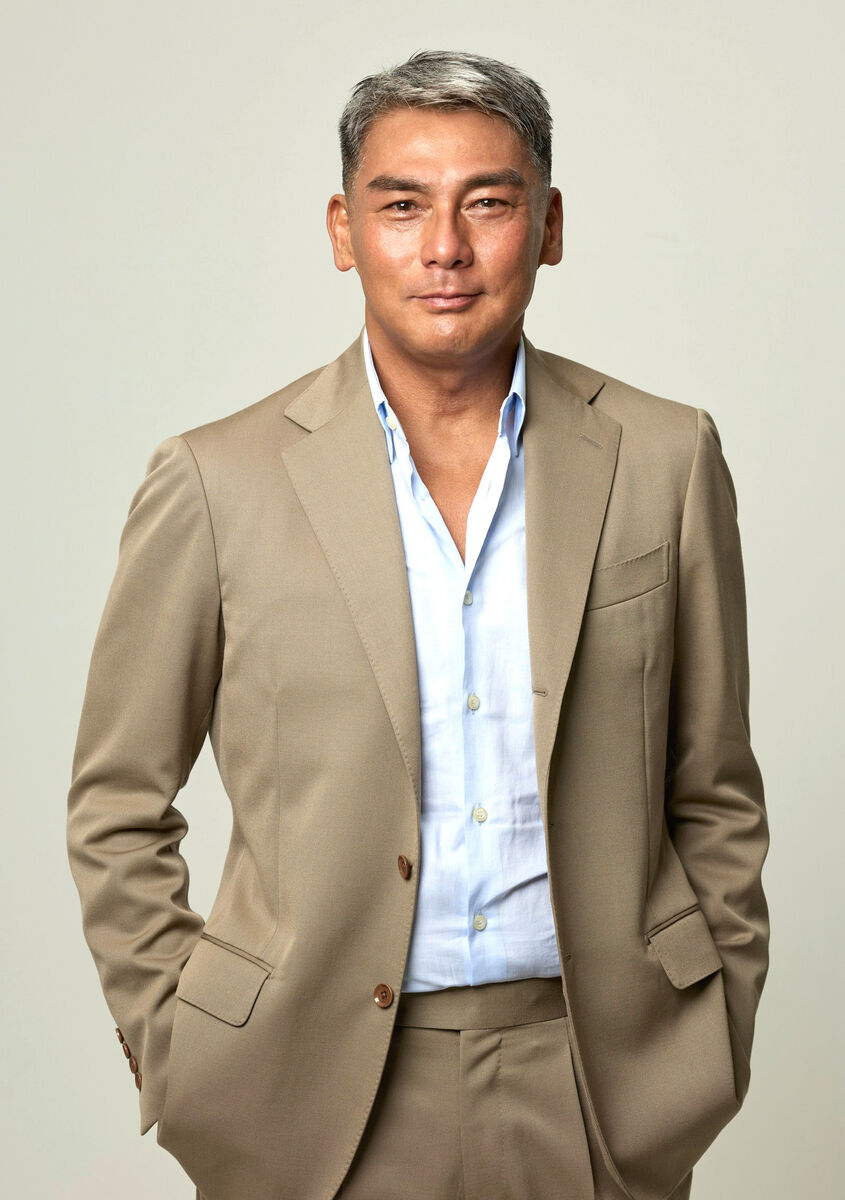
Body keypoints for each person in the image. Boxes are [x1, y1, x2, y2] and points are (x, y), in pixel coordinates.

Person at [66, 49, 770, 1200]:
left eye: (486, 203)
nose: (444, 246)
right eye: (401, 206)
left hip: (597, 1079)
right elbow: (115, 802)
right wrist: (179, 1045)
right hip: (304, 1090)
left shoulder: (664, 457)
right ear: (343, 231)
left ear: (547, 226)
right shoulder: (216, 479)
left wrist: (712, 1027)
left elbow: (714, 786)